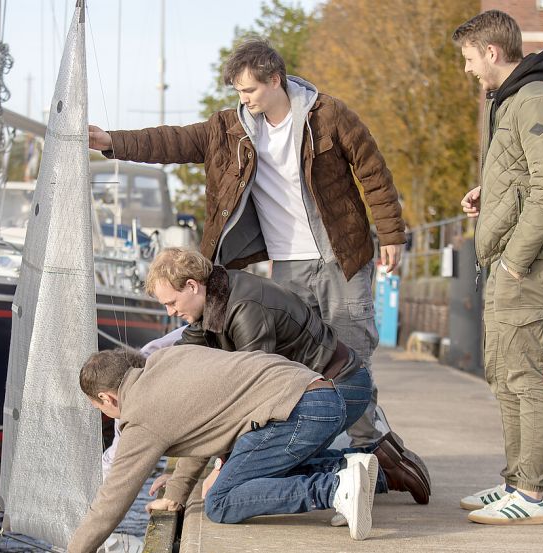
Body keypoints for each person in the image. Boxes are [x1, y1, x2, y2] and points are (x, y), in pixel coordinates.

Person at [87, 38, 405, 452]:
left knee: (352, 358)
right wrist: (110, 140)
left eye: (250, 90)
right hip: (287, 263)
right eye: (238, 91)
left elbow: (373, 172)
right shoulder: (230, 130)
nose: (244, 99)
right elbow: (171, 142)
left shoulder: (327, 116)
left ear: (276, 79)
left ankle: (372, 447)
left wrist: (393, 233)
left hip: (341, 257)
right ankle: (310, 450)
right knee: (296, 364)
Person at [144, 247, 430, 505]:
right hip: (317, 390)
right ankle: (379, 462)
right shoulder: (213, 304)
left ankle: (379, 473)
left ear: (192, 286)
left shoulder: (245, 309)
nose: (171, 312)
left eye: (171, 303)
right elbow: (181, 369)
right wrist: (180, 483)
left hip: (341, 387)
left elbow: (248, 400)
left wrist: (222, 470)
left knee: (247, 477)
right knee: (257, 467)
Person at [452, 10, 543, 525]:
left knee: (526, 374)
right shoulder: (513, 101)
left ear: (491, 51)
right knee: (504, 372)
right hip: (514, 259)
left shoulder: (536, 100)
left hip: (531, 264)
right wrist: (495, 193)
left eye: (468, 58)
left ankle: (530, 495)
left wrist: (513, 261)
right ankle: (514, 483)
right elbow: (529, 174)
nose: (466, 69)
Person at [68, 346, 377, 553]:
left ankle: (336, 489)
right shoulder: (167, 359)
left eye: (99, 408)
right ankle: (349, 466)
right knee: (246, 471)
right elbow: (202, 431)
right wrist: (176, 493)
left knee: (221, 502)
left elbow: (111, 501)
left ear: (107, 398)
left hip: (298, 412)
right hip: (322, 393)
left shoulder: (140, 417)